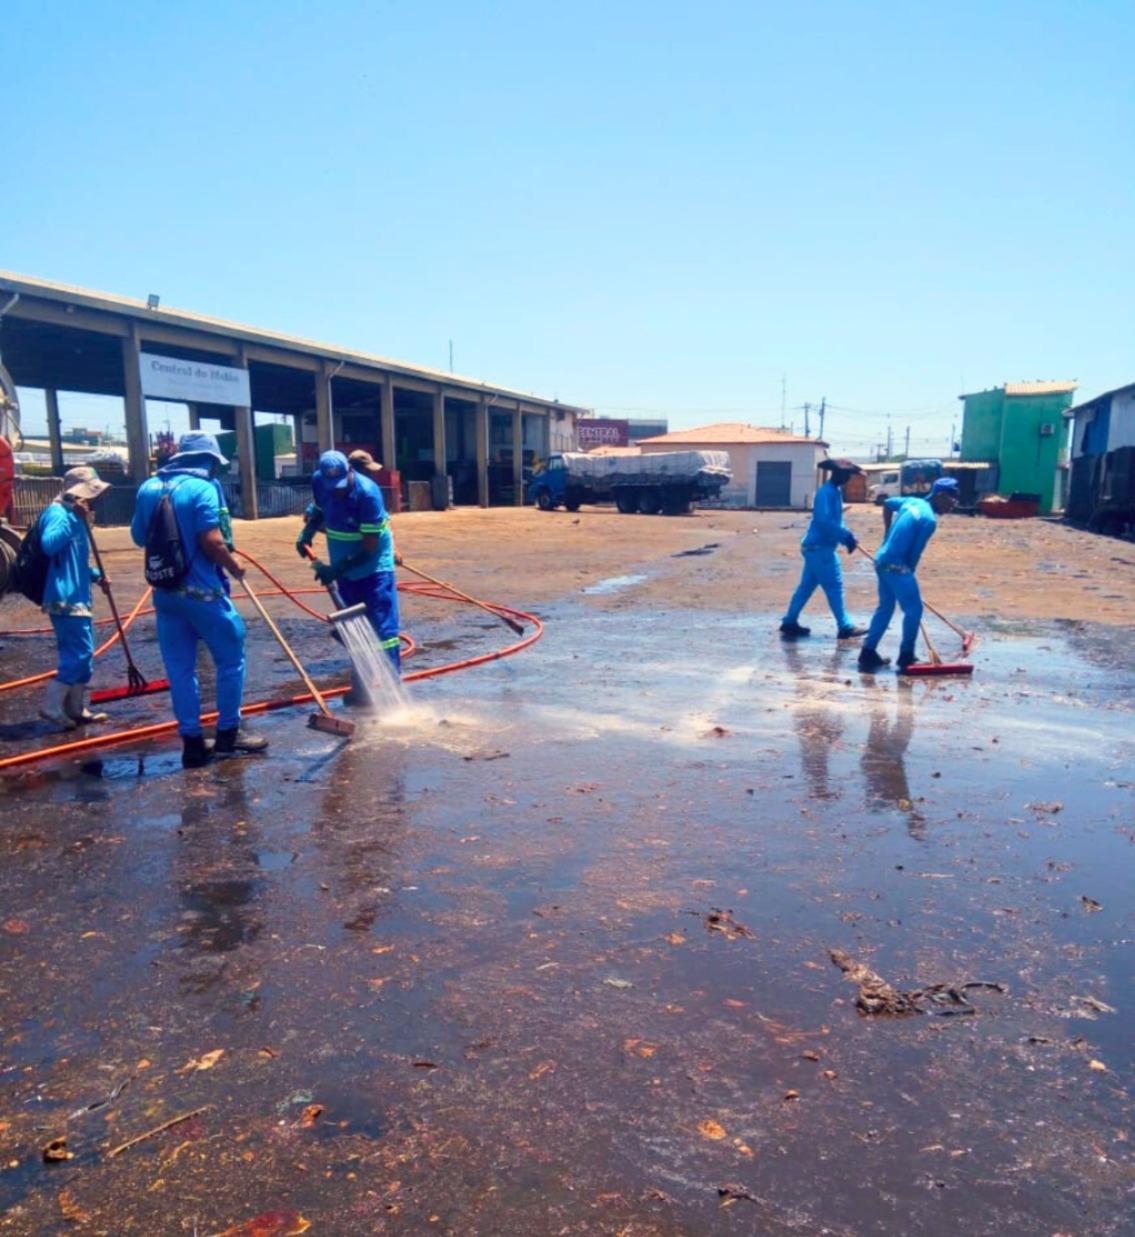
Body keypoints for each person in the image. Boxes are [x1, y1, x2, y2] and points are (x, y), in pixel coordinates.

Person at [130, 432, 268, 768]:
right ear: (207, 460)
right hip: (203, 594)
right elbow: (212, 542)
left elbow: (137, 537)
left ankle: (192, 744)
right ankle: (228, 734)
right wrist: (233, 564)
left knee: (180, 670)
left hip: (166, 594)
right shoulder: (204, 489)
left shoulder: (148, 488)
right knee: (231, 661)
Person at [296, 450, 402, 686]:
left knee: (383, 629)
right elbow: (319, 510)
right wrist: (307, 533)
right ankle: (362, 685)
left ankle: (393, 687)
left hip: (374, 565)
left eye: (341, 484)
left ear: (350, 471)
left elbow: (369, 549)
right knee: (354, 626)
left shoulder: (368, 494)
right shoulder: (319, 482)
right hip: (342, 559)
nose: (337, 490)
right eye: (331, 485)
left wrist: (337, 570)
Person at [857, 476, 960, 672]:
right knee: (914, 609)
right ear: (939, 495)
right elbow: (914, 553)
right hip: (896, 565)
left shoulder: (912, 501)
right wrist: (908, 576)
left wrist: (887, 534)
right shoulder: (929, 520)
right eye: (951, 498)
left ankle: (867, 651)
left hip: (881, 559)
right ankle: (906, 655)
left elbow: (887, 504)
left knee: (885, 607)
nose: (954, 504)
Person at [37, 466, 113, 730]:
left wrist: (95, 575)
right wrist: (73, 519)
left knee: (85, 655)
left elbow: (74, 559)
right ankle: (51, 705)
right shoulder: (58, 514)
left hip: (79, 595)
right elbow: (49, 545)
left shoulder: (75, 517)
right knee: (79, 653)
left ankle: (76, 707)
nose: (91, 502)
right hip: (64, 597)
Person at [779, 458, 868, 640]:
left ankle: (789, 621)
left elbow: (835, 521)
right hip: (820, 548)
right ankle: (845, 626)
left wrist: (847, 537)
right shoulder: (826, 493)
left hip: (816, 546)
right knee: (834, 586)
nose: (848, 479)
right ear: (838, 474)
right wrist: (845, 536)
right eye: (846, 475)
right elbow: (823, 521)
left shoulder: (834, 492)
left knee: (806, 587)